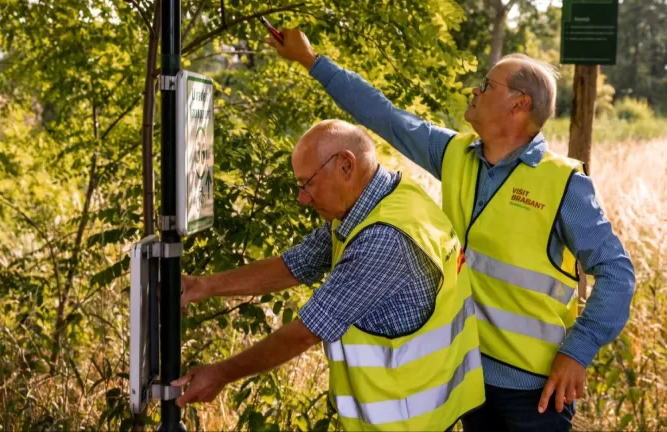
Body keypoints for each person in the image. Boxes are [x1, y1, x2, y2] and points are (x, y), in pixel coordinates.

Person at [267, 29, 636, 431]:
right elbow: (387, 117)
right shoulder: (455, 154)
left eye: (487, 85)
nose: (473, 91)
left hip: (534, 394)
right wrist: (310, 60)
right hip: (466, 380)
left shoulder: (562, 183)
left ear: (519, 104)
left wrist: (577, 352)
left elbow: (617, 273)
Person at [173, 119, 485, 431]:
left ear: (346, 165)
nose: (302, 198)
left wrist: (220, 374)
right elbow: (297, 263)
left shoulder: (383, 239)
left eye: (307, 184)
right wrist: (202, 287)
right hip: (419, 403)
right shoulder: (383, 200)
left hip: (403, 419)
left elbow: (305, 332)